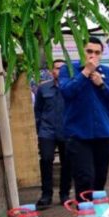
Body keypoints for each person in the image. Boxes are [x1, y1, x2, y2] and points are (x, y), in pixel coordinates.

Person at [58, 38, 109, 196]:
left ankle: (96, 215)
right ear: (82, 52)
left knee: (99, 181)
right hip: (78, 135)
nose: (93, 55)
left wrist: (102, 85)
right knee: (84, 179)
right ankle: (85, 216)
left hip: (103, 134)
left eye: (97, 52)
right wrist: (85, 73)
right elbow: (66, 92)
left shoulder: (108, 73)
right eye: (89, 51)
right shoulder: (68, 70)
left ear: (101, 54)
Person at [33, 59, 71, 208]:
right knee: (46, 159)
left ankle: (64, 194)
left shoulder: (71, 87)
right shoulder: (43, 89)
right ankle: (46, 195)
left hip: (67, 131)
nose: (59, 71)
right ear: (51, 71)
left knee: (67, 163)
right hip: (47, 131)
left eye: (62, 68)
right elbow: (38, 110)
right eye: (56, 68)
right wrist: (39, 129)